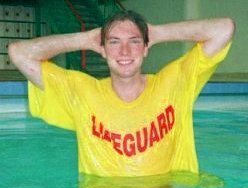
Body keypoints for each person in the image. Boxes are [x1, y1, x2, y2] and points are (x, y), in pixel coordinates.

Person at [8, 10, 235, 177]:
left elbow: (224, 28)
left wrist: (156, 32)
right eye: (114, 42)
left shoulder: (175, 83)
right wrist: (85, 39)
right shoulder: (80, 91)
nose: (124, 51)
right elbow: (19, 53)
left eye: (134, 42)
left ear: (146, 48)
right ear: (103, 50)